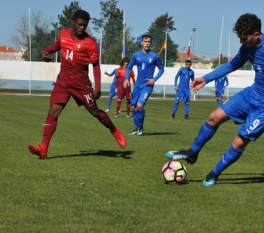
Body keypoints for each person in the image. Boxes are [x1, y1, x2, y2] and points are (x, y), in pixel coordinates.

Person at [165, 13, 264, 187]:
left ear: (256, 34)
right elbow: (232, 64)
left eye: (243, 38)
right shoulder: (247, 48)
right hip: (253, 93)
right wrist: (206, 78)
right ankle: (192, 152)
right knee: (214, 117)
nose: (241, 42)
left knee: (240, 139)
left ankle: (214, 174)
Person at [28, 10, 126, 159]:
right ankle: (43, 148)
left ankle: (114, 130)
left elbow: (96, 66)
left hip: (81, 85)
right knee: (53, 111)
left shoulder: (90, 43)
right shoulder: (63, 34)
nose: (82, 28)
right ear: (73, 22)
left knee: (95, 112)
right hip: (63, 81)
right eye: (79, 24)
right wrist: (46, 51)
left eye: (84, 26)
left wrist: (98, 87)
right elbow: (57, 45)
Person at [124, 34, 164, 136]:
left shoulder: (155, 56)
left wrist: (154, 79)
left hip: (147, 86)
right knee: (134, 107)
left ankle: (140, 128)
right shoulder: (136, 55)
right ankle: (137, 128)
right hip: (138, 85)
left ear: (151, 43)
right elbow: (128, 68)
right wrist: (126, 79)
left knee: (139, 105)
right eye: (145, 41)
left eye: (149, 42)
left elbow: (161, 69)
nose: (147, 43)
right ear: (141, 43)